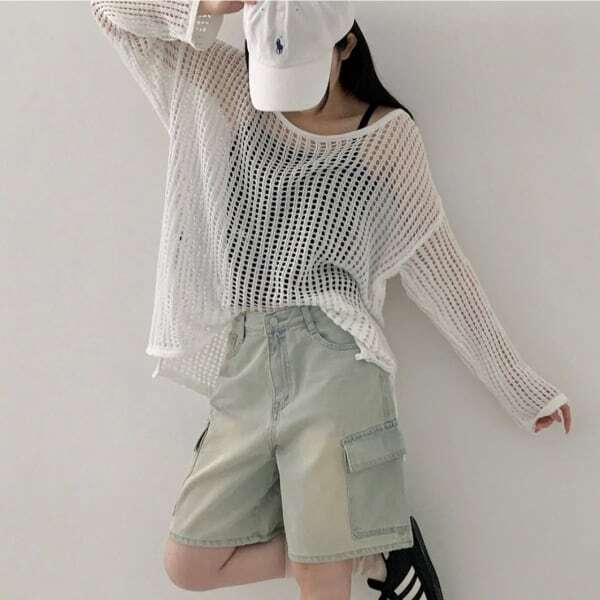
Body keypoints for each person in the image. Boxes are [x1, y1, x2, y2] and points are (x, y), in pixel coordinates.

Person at [90, 1, 572, 599]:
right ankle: (372, 552)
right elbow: (107, 11)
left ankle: (350, 552)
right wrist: (214, 5)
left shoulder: (386, 135)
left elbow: (441, 273)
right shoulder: (230, 89)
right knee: (188, 564)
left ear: (345, 46)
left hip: (336, 365)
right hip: (246, 365)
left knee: (322, 588)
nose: (283, 97)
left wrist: (521, 388)